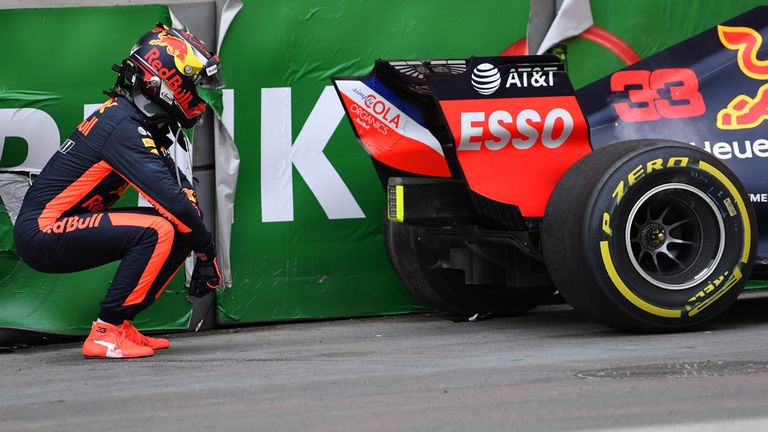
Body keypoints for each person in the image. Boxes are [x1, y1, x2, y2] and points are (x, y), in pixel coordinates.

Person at [13, 23, 223, 359]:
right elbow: (174, 202)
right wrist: (207, 254)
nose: (201, 96)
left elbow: (182, 198)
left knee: (180, 228)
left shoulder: (137, 120)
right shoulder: (124, 127)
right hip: (42, 231)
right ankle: (105, 332)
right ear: (167, 80)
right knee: (159, 229)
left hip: (59, 224)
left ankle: (120, 325)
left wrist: (200, 246)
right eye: (195, 85)